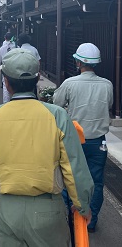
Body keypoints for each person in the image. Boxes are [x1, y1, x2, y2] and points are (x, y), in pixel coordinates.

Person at [0, 49, 93, 247]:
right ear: (38, 77)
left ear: (6, 81)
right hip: (47, 207)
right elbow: (73, 167)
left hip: (8, 208)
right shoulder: (57, 116)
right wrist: (82, 205)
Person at [53, 42, 113, 233]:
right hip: (98, 142)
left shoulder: (70, 83)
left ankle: (67, 218)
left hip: (74, 140)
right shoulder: (107, 85)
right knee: (96, 182)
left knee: (68, 179)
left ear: (78, 63)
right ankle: (91, 221)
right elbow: (109, 105)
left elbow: (57, 102)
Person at [0, 32, 17, 102]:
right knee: (16, 85)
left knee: (5, 85)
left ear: (5, 38)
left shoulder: (2, 48)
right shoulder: (16, 47)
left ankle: (6, 102)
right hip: (16, 67)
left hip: (6, 68)